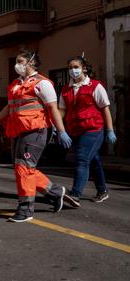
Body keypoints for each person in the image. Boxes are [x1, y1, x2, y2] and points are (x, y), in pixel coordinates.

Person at [0, 50, 75, 223]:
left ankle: (26, 209)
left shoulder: (42, 83)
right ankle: (56, 192)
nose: (17, 65)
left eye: (21, 61)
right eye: (17, 61)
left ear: (31, 63)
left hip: (36, 130)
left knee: (24, 168)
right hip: (19, 131)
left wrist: (62, 131)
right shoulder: (16, 83)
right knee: (23, 169)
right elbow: (10, 106)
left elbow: (52, 108)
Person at [58, 55, 116, 207]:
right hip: (75, 130)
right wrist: (58, 129)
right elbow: (62, 111)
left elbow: (105, 109)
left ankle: (75, 195)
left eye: (76, 67)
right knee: (93, 160)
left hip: (93, 129)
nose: (73, 70)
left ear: (84, 68)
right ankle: (102, 191)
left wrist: (110, 129)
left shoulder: (95, 86)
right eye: (70, 68)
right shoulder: (66, 89)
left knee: (82, 159)